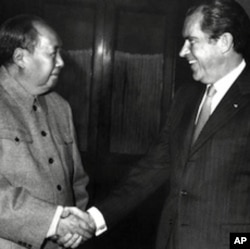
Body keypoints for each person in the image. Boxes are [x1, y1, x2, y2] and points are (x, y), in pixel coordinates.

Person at [71, 0, 250, 248]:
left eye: (192, 41)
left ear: (224, 42)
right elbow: (152, 168)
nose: (182, 51)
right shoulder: (185, 98)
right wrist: (94, 219)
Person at [0, 14, 95, 249]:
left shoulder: (60, 107)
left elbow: (77, 182)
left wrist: (76, 228)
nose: (61, 62)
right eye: (53, 53)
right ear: (20, 57)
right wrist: (52, 223)